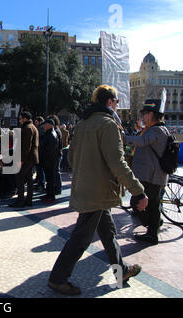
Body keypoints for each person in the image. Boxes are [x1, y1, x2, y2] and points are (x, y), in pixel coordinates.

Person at [47, 84, 148, 295]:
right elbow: (117, 163)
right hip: (98, 190)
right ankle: (57, 278)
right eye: (117, 102)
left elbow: (72, 158)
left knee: (108, 232)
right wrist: (137, 190)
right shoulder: (108, 125)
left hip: (85, 186)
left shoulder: (82, 124)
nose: (118, 106)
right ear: (110, 102)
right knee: (81, 237)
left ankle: (121, 271)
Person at [124, 99, 169, 245]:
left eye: (145, 114)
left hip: (151, 176)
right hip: (153, 175)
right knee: (153, 205)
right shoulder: (157, 129)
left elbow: (142, 141)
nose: (143, 117)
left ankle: (152, 228)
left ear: (152, 114)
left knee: (138, 202)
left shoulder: (156, 130)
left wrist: (122, 138)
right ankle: (153, 230)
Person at [9, 111, 39, 208]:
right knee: (29, 179)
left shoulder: (27, 128)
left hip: (26, 158)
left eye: (20, 118)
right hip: (30, 158)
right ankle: (28, 200)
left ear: (25, 118)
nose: (19, 120)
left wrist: (21, 160)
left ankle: (20, 200)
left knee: (20, 178)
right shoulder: (32, 127)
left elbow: (26, 146)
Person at [39, 118, 60, 203]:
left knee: (50, 179)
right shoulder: (50, 133)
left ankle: (51, 196)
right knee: (49, 179)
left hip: (49, 161)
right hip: (49, 161)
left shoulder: (51, 134)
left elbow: (50, 150)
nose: (44, 126)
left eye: (45, 124)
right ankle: (49, 195)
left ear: (50, 125)